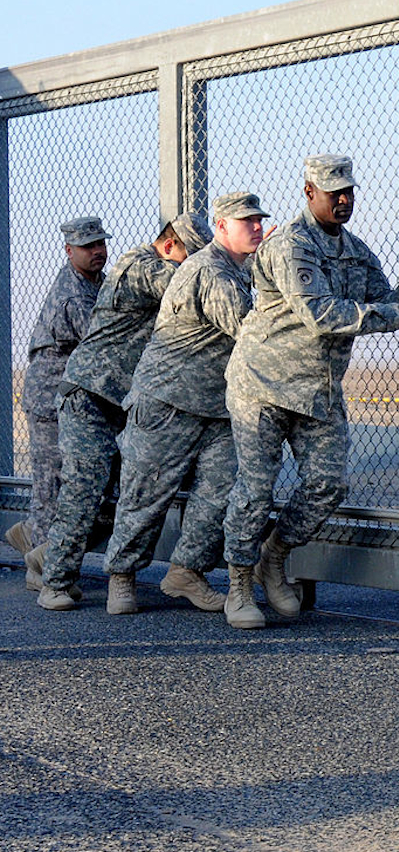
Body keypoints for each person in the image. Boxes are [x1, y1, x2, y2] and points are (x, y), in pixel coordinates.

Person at [221, 154, 399, 630]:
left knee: (328, 484)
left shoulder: (357, 252)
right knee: (255, 489)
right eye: (333, 191)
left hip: (317, 391)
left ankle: (273, 555)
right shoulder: (290, 246)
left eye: (349, 192)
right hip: (264, 385)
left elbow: (384, 297)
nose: (343, 199)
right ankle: (238, 586)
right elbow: (322, 314)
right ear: (308, 192)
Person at [83, 193, 266, 615]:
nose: (256, 228)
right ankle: (123, 576)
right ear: (222, 227)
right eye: (246, 222)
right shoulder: (210, 271)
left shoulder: (234, 268)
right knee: (146, 492)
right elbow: (248, 332)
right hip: (167, 401)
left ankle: (186, 571)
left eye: (259, 221)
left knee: (220, 490)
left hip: (215, 408)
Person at [34, 214, 214, 610]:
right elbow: (187, 286)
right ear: (169, 247)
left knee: (127, 498)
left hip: (124, 405)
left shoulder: (168, 271)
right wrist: (237, 264)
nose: (196, 267)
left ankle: (47, 556)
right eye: (191, 258)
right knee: (84, 489)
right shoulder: (139, 265)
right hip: (89, 398)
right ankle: (56, 583)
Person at [13, 216, 108, 596]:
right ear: (70, 252)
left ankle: (35, 544)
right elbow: (103, 345)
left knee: (67, 484)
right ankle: (42, 568)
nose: (97, 251)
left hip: (73, 396)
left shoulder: (96, 283)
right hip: (50, 399)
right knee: (52, 486)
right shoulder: (74, 295)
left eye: (100, 243)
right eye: (88, 247)